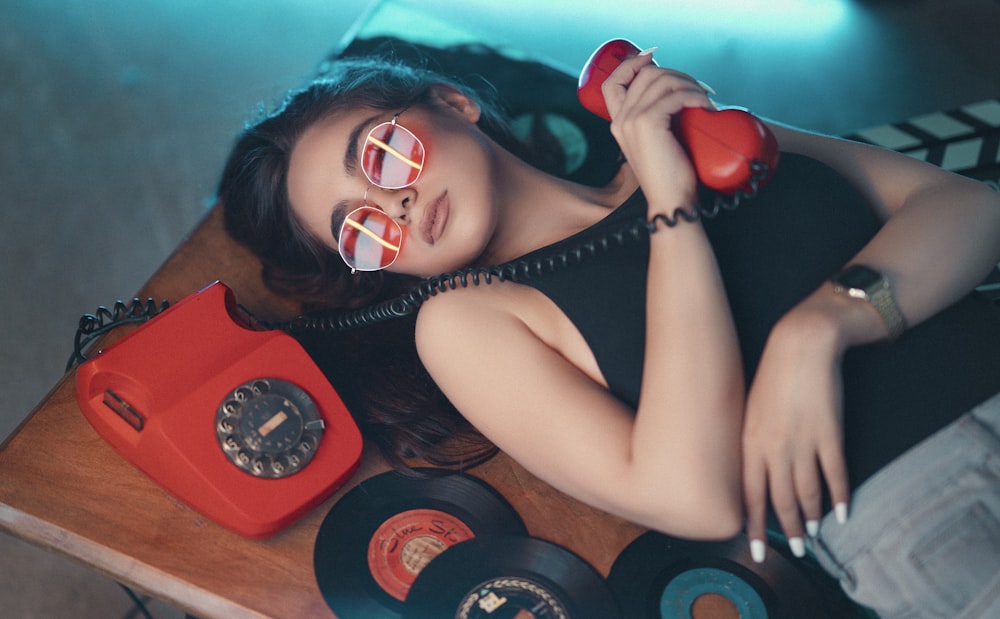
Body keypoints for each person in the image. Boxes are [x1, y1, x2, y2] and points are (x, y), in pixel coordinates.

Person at [218, 43, 1000, 618]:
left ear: (450, 103)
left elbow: (969, 209)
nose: (391, 208)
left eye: (383, 154)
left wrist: (822, 328)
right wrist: (669, 206)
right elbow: (692, 497)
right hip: (934, 508)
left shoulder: (677, 133)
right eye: (358, 232)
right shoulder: (467, 322)